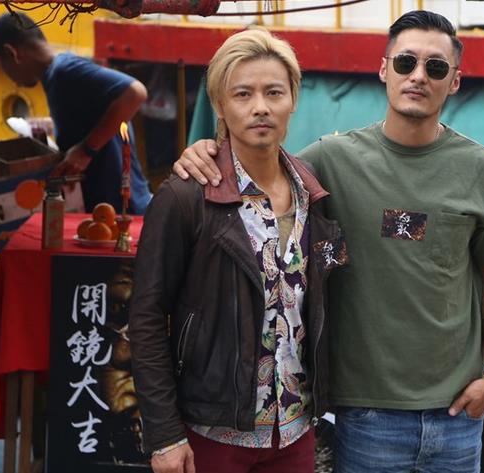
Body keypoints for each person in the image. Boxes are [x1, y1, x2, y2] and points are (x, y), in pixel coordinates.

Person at [173, 10, 484, 473]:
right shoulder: (331, 160)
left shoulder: (483, 170)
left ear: (455, 81)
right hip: (366, 419)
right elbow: (256, 166)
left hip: (458, 417)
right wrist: (206, 152)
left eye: (436, 67)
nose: (419, 76)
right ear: (384, 70)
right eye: (406, 62)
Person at [128, 28, 347, 473]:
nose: (260, 107)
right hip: (210, 431)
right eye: (243, 94)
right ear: (220, 105)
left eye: (274, 92)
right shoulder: (186, 197)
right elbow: (147, 317)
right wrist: (164, 435)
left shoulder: (313, 192)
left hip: (294, 428)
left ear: (293, 100)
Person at [0, 13, 152, 214]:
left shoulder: (65, 71)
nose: (5, 73)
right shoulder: (56, 76)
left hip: (123, 211)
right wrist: (52, 125)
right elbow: (92, 117)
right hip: (105, 209)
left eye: (0, 62)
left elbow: (135, 93)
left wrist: (85, 150)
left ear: (12, 53)